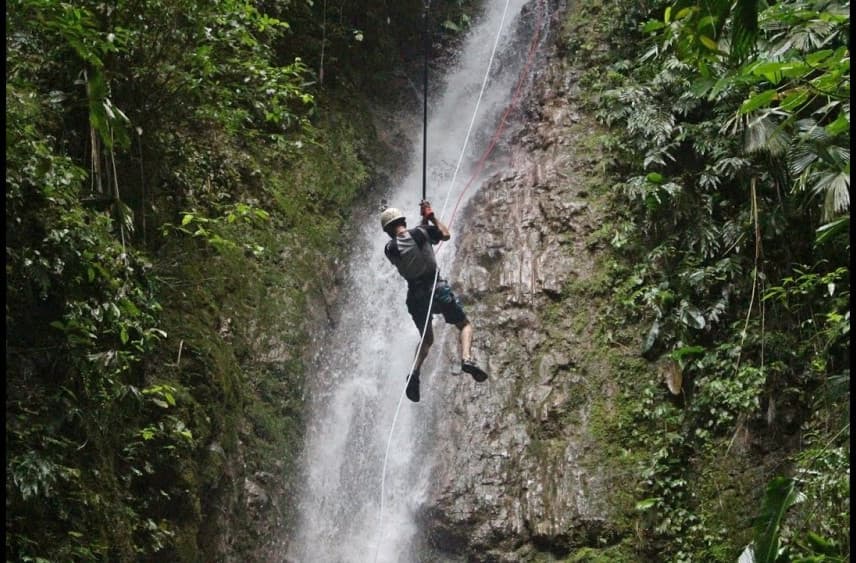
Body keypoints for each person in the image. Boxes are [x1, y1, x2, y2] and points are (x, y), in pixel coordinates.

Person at [380, 201, 488, 402]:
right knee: (464, 325)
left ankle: (414, 373)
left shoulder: (390, 249)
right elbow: (445, 235)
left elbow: (411, 243)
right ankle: (467, 358)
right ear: (403, 219)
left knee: (427, 340)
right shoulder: (421, 232)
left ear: (387, 231)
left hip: (414, 297)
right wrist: (431, 218)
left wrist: (424, 223)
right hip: (437, 289)